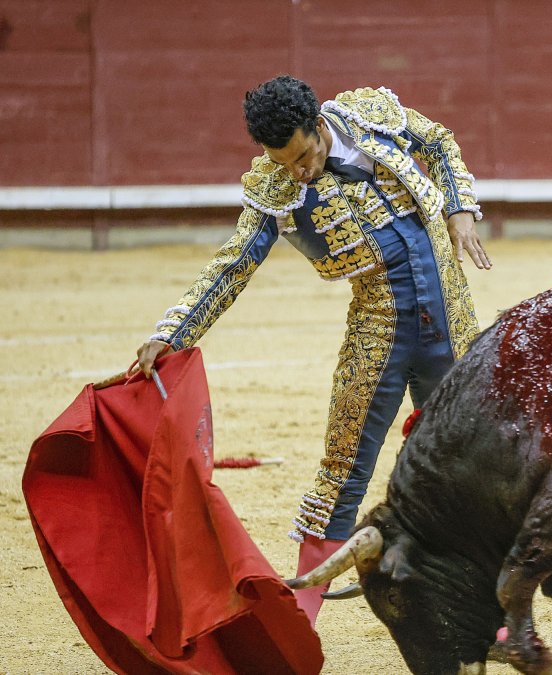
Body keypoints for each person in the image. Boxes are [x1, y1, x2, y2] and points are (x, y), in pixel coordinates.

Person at [132, 75, 491, 626]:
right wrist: (173, 332)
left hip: (451, 319)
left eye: (303, 155)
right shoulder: (277, 190)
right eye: (284, 163)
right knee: (343, 469)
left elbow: (438, 142)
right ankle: (300, 621)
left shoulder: (370, 117)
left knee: (469, 465)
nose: (298, 171)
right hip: (380, 332)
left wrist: (460, 207)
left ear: (320, 126)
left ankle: (485, 611)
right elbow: (233, 265)